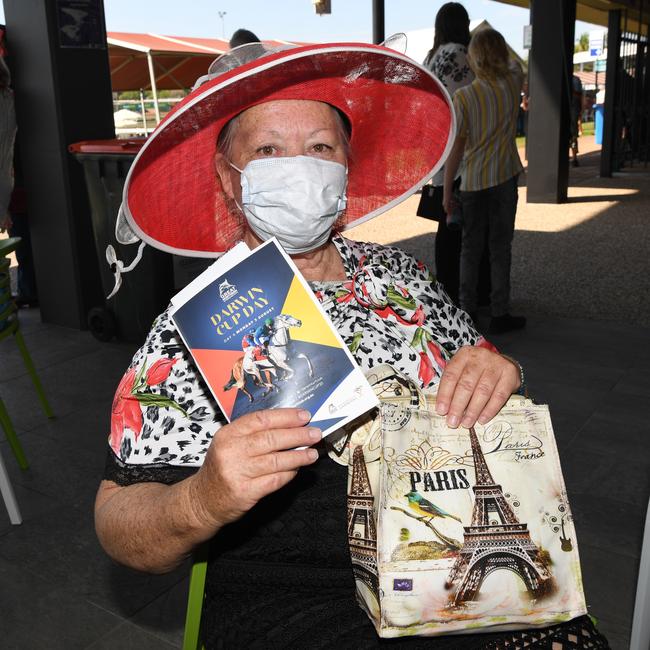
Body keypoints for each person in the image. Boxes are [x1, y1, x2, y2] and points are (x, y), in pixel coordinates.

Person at [95, 43, 606, 647]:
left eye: (319, 147)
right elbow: (118, 524)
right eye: (266, 150)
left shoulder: (404, 276)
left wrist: (501, 371)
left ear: (345, 168)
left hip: (450, 558)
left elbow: (488, 373)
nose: (299, 167)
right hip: (304, 596)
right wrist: (201, 502)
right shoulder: (195, 329)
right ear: (229, 183)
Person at [443, 29, 526, 335]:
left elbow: (457, 149)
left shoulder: (464, 97)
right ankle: (500, 312)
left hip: (475, 182)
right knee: (501, 247)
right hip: (505, 176)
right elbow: (516, 65)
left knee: (471, 249)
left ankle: (468, 312)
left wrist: (448, 189)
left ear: (474, 57)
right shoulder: (512, 83)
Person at [422, 2, 490, 309]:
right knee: (467, 226)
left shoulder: (431, 57)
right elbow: (474, 102)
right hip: (463, 154)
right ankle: (471, 290)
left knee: (445, 226)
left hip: (440, 149)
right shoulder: (463, 56)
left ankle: (446, 286)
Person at [570, 74, 583, 167]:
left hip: (573, 112)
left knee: (573, 136)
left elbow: (579, 96)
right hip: (572, 111)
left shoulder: (575, 80)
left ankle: (574, 158)